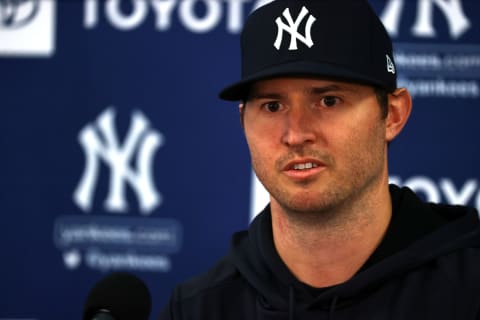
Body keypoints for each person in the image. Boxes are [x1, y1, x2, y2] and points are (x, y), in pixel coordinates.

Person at [159, 0, 480, 319]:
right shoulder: (198, 307)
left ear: (393, 115)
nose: (296, 134)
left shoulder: (468, 291)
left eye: (329, 101)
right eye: (272, 106)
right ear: (243, 120)